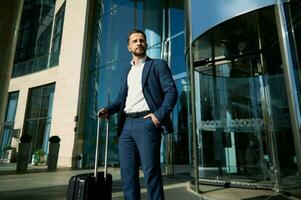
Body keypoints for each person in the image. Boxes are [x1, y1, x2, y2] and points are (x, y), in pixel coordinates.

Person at [98, 29, 178, 200]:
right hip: (126, 126)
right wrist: (108, 110)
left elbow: (171, 92)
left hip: (147, 123)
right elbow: (121, 99)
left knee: (151, 172)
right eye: (135, 41)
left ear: (146, 44)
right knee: (127, 175)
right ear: (129, 47)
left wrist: (158, 116)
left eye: (142, 40)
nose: (139, 43)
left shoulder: (158, 65)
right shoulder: (126, 71)